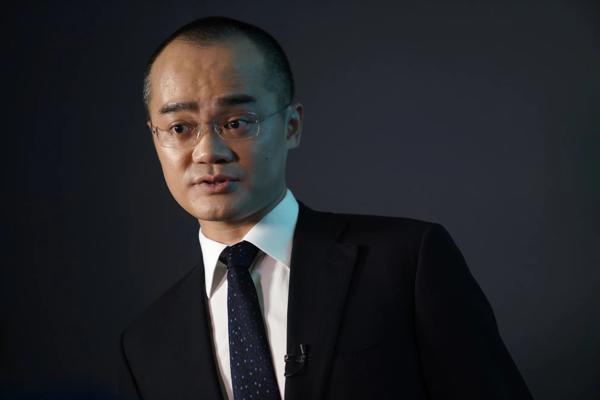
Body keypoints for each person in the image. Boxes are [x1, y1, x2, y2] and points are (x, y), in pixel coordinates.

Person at [119, 16, 533, 400]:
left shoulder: (407, 262)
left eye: (237, 122)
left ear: (292, 126)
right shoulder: (147, 342)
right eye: (179, 127)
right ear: (155, 137)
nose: (208, 151)